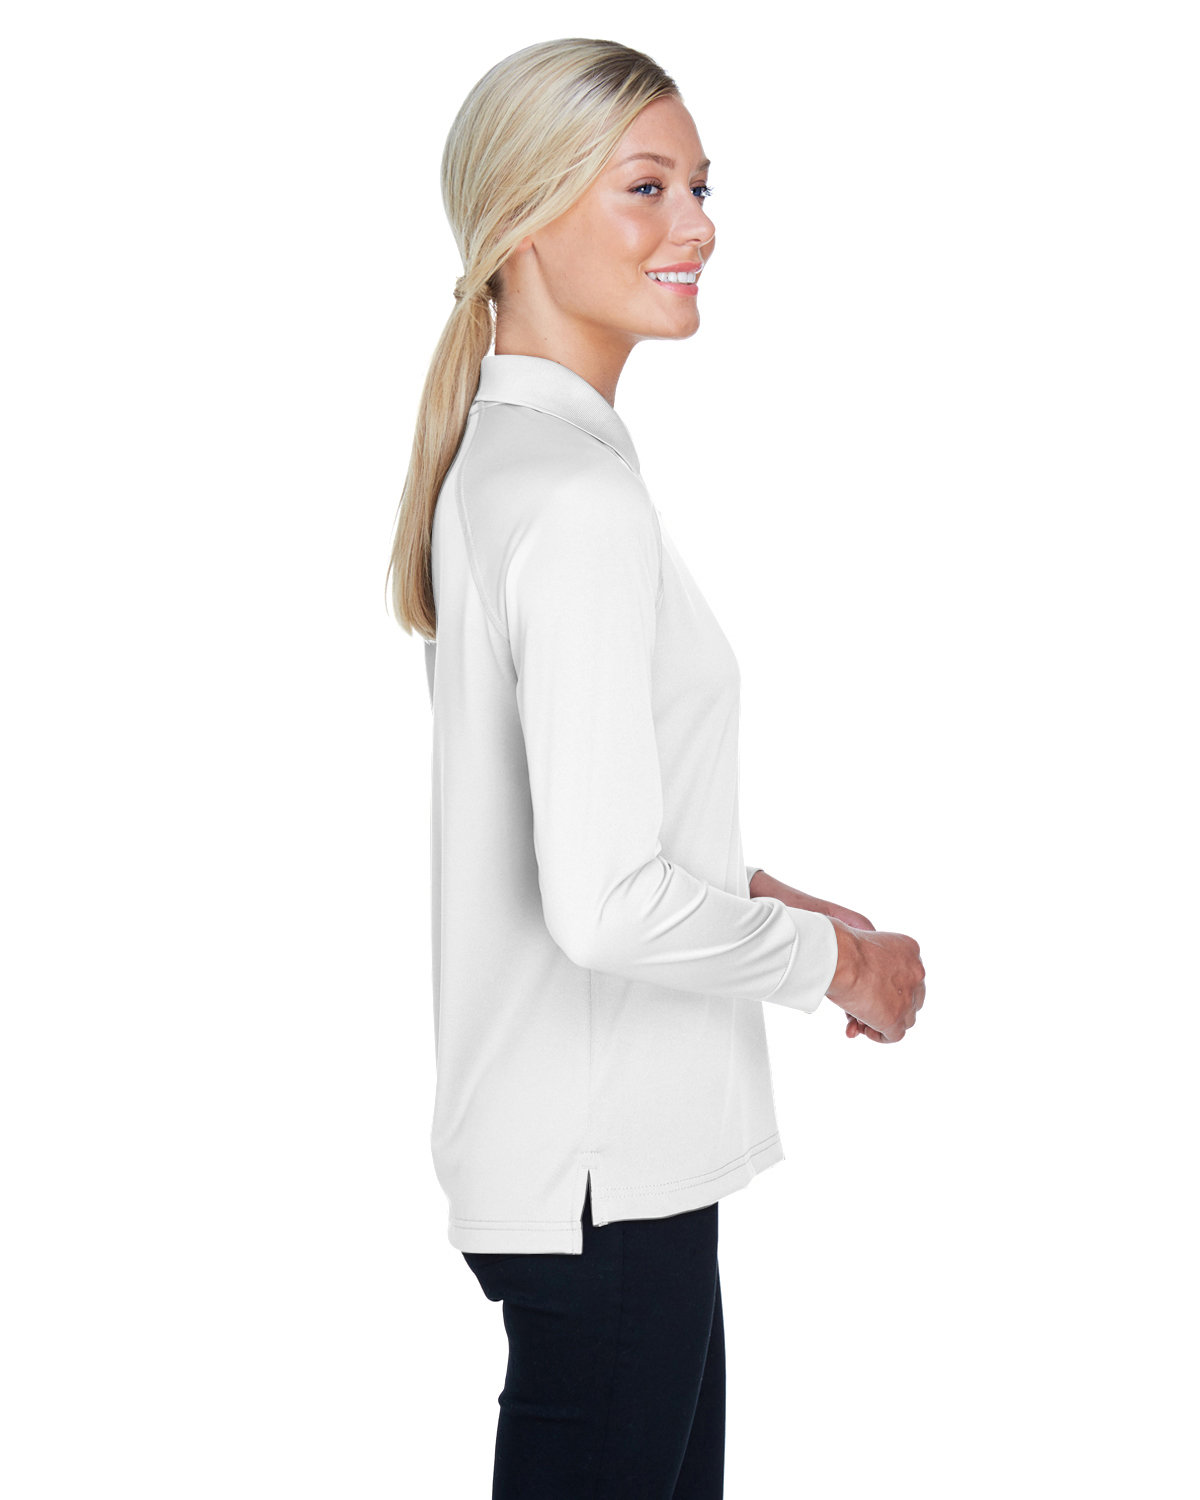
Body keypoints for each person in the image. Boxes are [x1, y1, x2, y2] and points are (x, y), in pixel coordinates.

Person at [386, 37, 926, 1500]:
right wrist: (841, 966)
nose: (696, 225)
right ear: (522, 218)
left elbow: (581, 827)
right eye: (646, 187)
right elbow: (606, 904)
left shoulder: (518, 471)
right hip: (605, 1184)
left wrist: (779, 899)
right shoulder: (571, 501)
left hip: (594, 1178)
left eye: (700, 186)